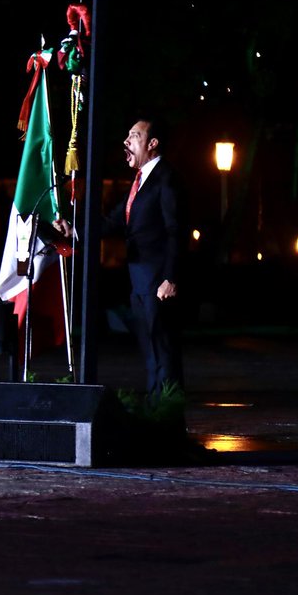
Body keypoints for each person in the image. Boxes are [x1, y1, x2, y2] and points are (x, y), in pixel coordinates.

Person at [53, 117, 187, 401]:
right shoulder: (139, 182)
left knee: (163, 350)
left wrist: (170, 278)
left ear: (152, 143)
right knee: (151, 353)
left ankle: (169, 413)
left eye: (135, 135)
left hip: (158, 282)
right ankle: (156, 411)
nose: (126, 141)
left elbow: (176, 231)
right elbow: (113, 222)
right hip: (140, 281)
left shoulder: (166, 178)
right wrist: (73, 229)